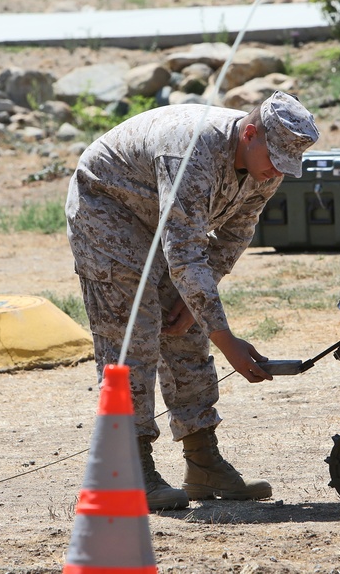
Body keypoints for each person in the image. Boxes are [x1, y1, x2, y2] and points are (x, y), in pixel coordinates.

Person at [65, 91, 320, 511]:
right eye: (274, 159)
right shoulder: (192, 151)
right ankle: (128, 469)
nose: (276, 172)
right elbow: (184, 254)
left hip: (161, 221)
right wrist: (228, 341)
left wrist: (200, 306)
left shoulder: (267, 167)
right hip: (108, 208)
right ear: (250, 134)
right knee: (134, 332)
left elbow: (234, 234)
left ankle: (203, 461)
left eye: (285, 166)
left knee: (185, 326)